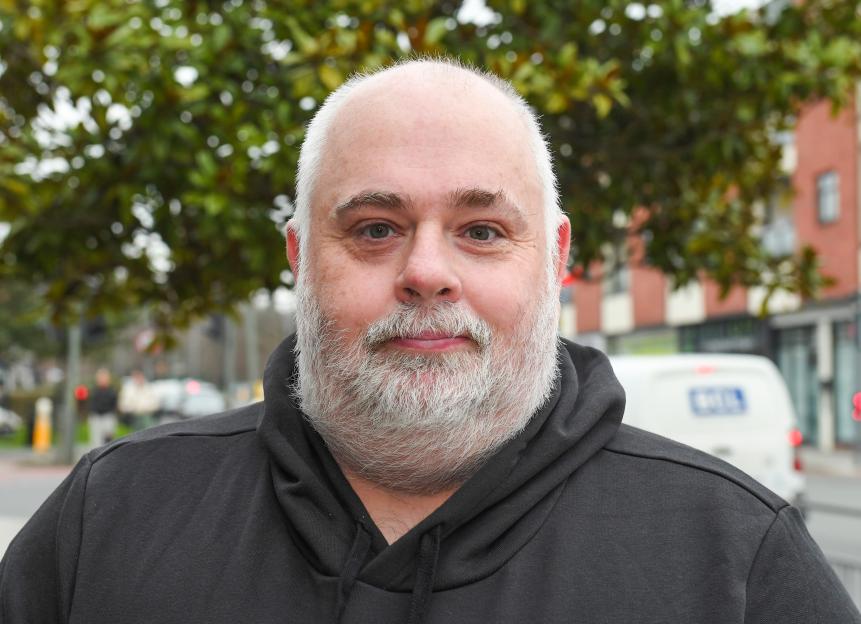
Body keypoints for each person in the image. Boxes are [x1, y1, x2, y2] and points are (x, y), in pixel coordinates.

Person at [1, 58, 858, 624]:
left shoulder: (736, 556)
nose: (426, 272)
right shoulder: (111, 517)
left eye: (482, 231)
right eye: (375, 229)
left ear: (555, 258)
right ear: (299, 257)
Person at [87, 368, 119, 447]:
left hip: (108, 417)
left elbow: (114, 405)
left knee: (109, 442)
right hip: (96, 417)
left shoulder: (112, 391)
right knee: (96, 443)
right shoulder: (94, 391)